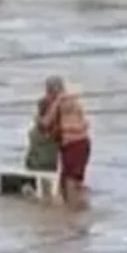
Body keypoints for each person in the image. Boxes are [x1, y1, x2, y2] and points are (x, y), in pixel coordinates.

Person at [40, 76, 91, 208]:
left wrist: (41, 117)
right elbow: (84, 123)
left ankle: (72, 211)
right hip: (84, 142)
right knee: (75, 179)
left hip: (72, 145)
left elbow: (46, 123)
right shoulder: (74, 101)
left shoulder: (59, 102)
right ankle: (79, 206)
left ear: (51, 91)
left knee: (69, 181)